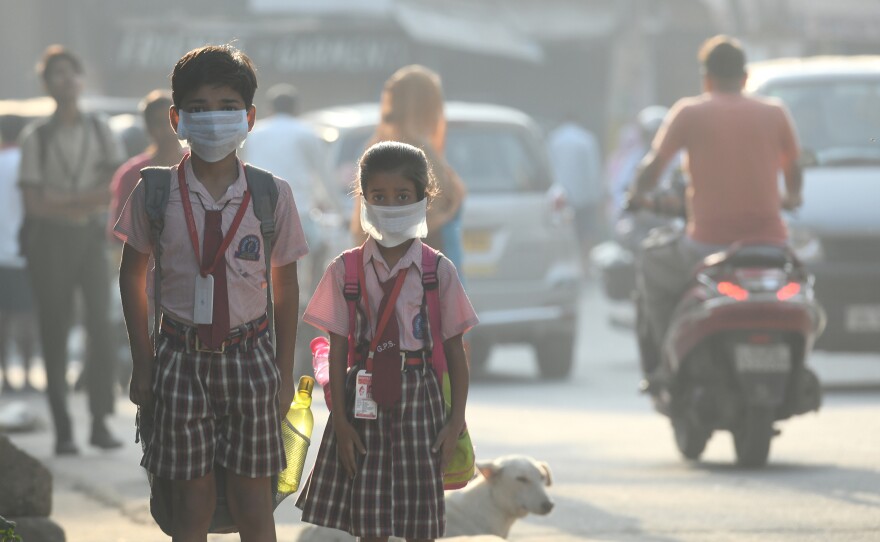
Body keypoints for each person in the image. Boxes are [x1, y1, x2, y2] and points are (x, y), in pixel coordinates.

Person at [115, 44, 308, 540]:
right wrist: (143, 361)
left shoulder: (271, 194)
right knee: (190, 499)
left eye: (227, 107)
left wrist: (284, 372)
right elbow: (132, 274)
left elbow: (286, 287)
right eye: (198, 109)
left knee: (254, 500)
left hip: (252, 356)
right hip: (179, 357)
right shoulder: (154, 193)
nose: (214, 120)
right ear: (176, 117)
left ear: (249, 117)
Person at [297, 141, 478, 541]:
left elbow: (455, 350)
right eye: (379, 196)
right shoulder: (344, 270)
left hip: (420, 400)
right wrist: (340, 423)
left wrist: (455, 423)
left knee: (420, 523)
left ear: (423, 200)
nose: (391, 205)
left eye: (403, 196)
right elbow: (339, 348)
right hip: (362, 403)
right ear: (362, 199)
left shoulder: (438, 271)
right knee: (370, 521)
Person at [628, 35, 802, 383]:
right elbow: (794, 170)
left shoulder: (690, 112)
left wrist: (636, 194)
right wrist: (792, 197)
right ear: (745, 77)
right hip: (770, 245)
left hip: (706, 246)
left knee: (651, 263)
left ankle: (667, 364)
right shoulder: (775, 113)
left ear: (706, 78)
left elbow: (653, 167)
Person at [18, 45, 126, 454]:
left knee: (99, 327)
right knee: (54, 331)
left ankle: (99, 421)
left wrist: (65, 198)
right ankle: (64, 429)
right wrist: (85, 198)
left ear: (81, 80)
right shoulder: (37, 138)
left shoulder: (100, 130)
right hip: (50, 241)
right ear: (46, 84)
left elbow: (111, 195)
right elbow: (35, 205)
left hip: (88, 238)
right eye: (56, 74)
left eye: (71, 73)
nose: (65, 80)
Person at [350, 65, 467, 269]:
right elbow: (414, 224)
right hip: (423, 277)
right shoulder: (418, 153)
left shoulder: (377, 146)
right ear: (428, 105)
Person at [244, 83, 334, 292]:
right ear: (296, 108)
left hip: (256, 209)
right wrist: (338, 208)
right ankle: (311, 302)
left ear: (270, 108)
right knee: (318, 249)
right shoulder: (307, 132)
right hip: (299, 211)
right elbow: (324, 175)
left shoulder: (254, 133)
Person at [107, 89, 184, 243]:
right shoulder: (132, 174)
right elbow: (118, 234)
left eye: (172, 121)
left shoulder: (199, 166)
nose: (168, 129)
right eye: (160, 123)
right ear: (148, 129)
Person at [0, 114, 38, 393]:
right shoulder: (27, 163)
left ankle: (4, 378)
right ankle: (26, 377)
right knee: (27, 317)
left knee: (3, 318)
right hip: (24, 253)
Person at [547, 115, 603, 255]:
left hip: (560, 197)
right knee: (585, 233)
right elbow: (593, 171)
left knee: (562, 233)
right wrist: (597, 197)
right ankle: (584, 266)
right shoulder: (586, 139)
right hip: (584, 197)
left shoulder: (554, 139)